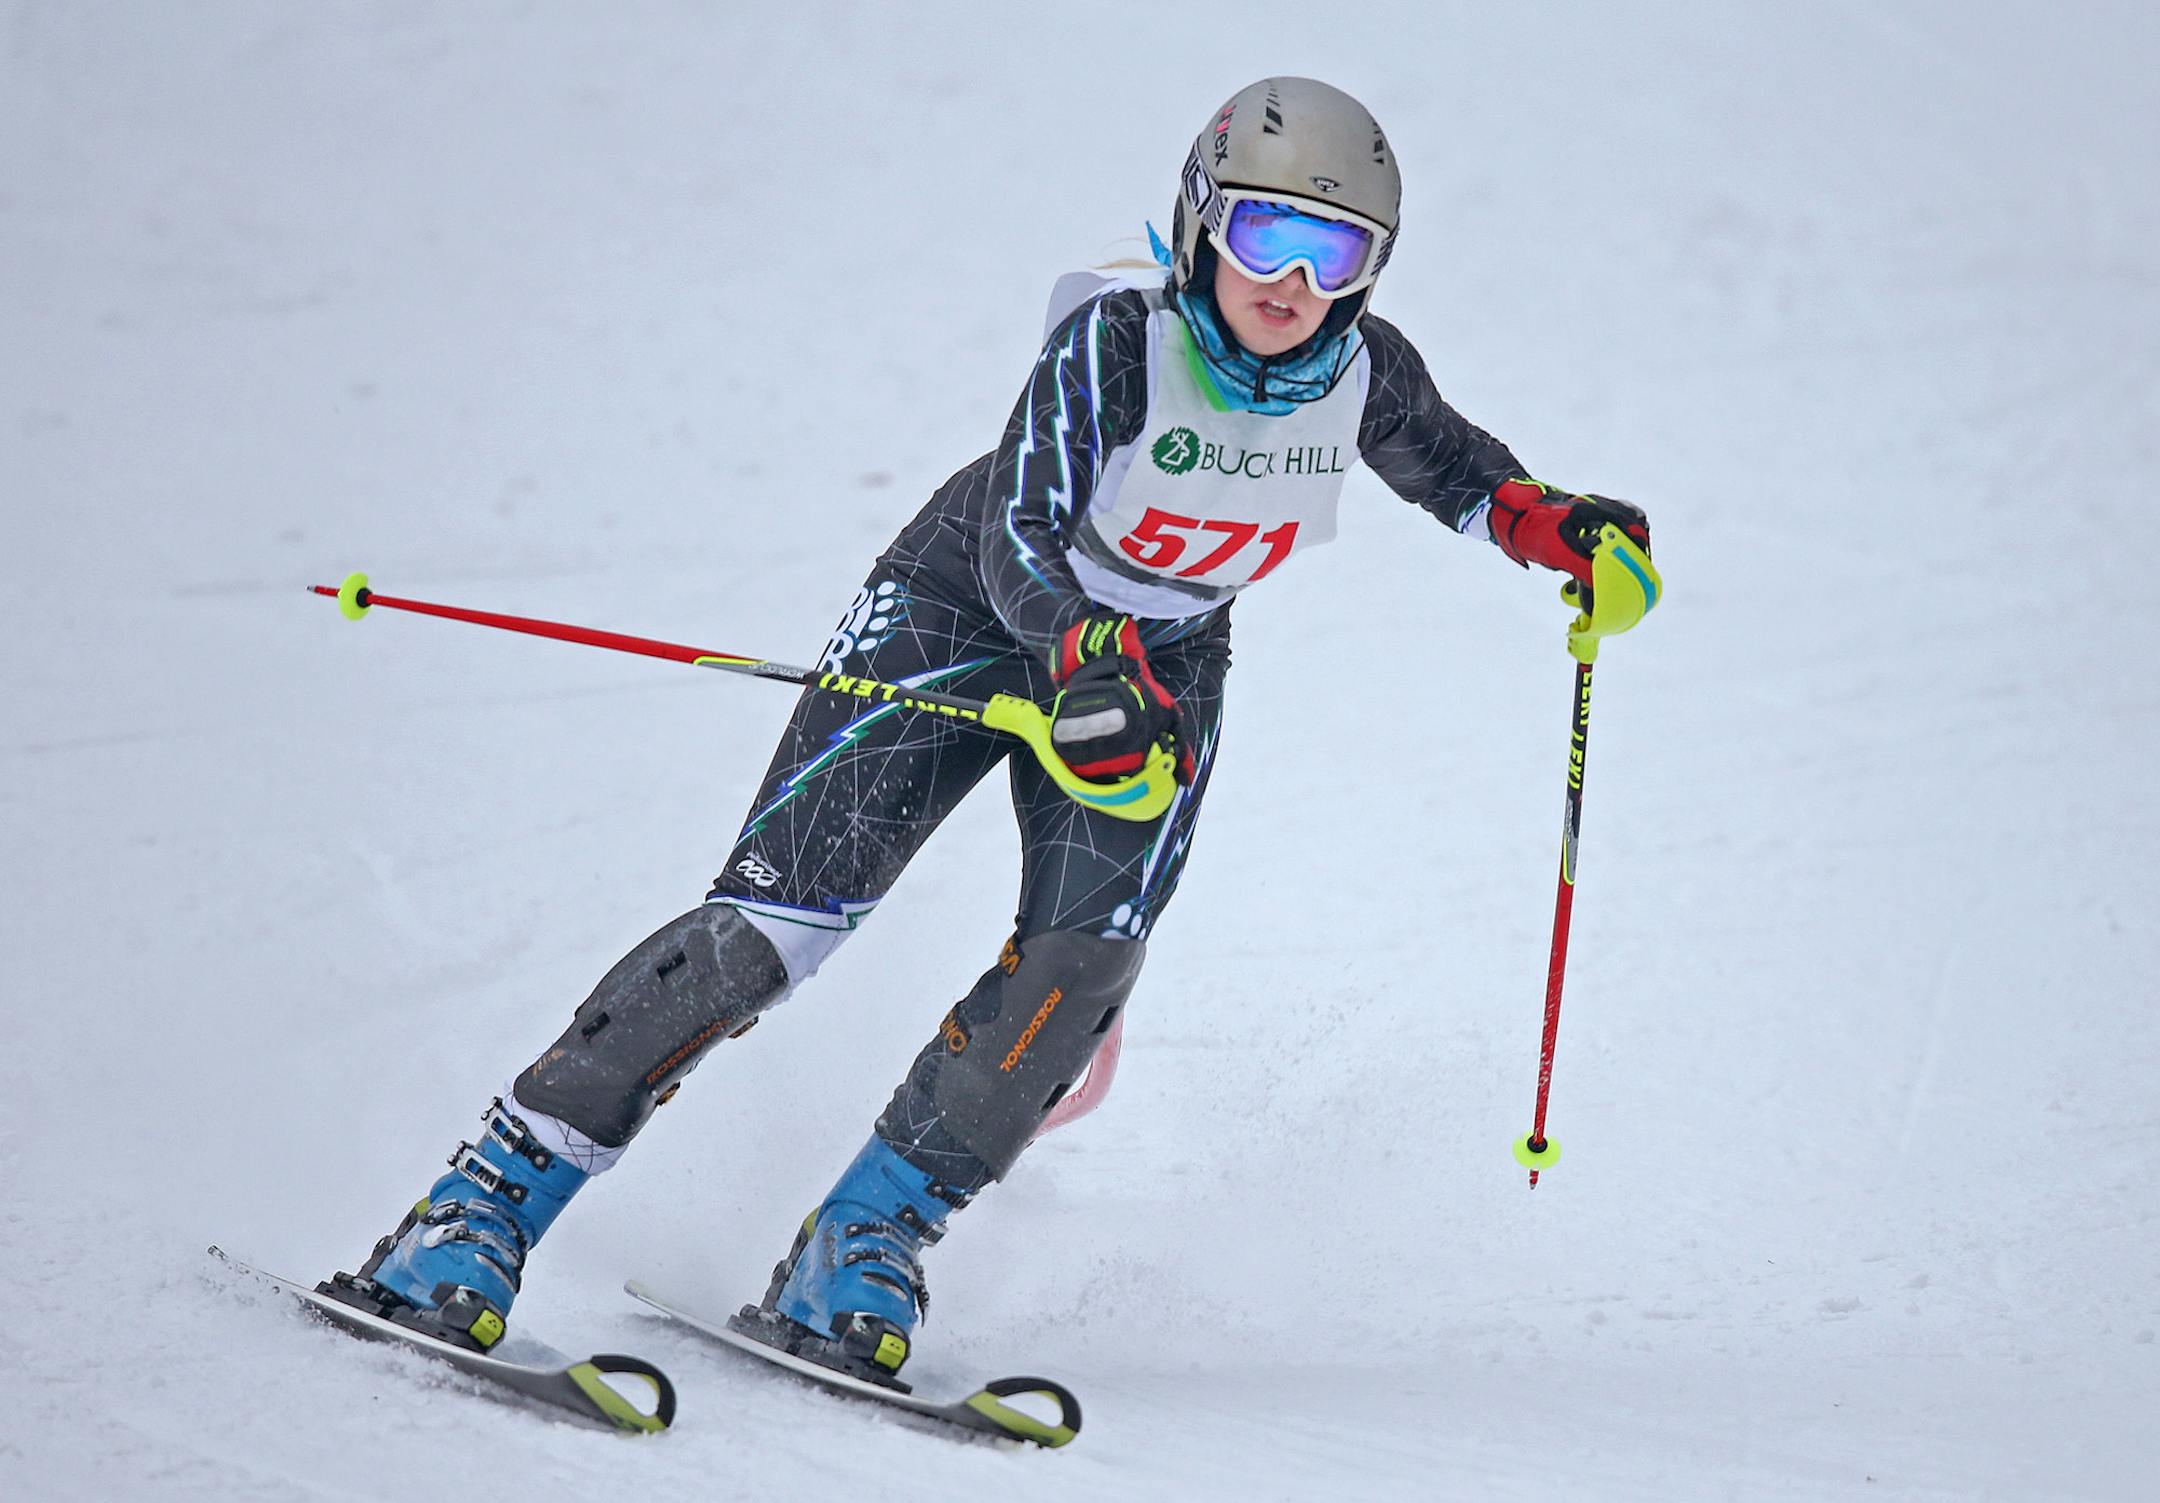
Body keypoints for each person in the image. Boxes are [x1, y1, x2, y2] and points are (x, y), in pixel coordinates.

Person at [325, 76, 1653, 1385]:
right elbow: (1022, 525)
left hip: (1163, 657)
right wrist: (1080, 648)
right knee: (777, 929)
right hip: (962, 611)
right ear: (1200, 221)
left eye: (1335, 250)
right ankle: (481, 1203)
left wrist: (1561, 532)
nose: (1292, 281)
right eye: (1265, 234)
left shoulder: (1360, 372)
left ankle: (862, 1242)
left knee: (1083, 969)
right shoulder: (1122, 341)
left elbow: (1466, 476)